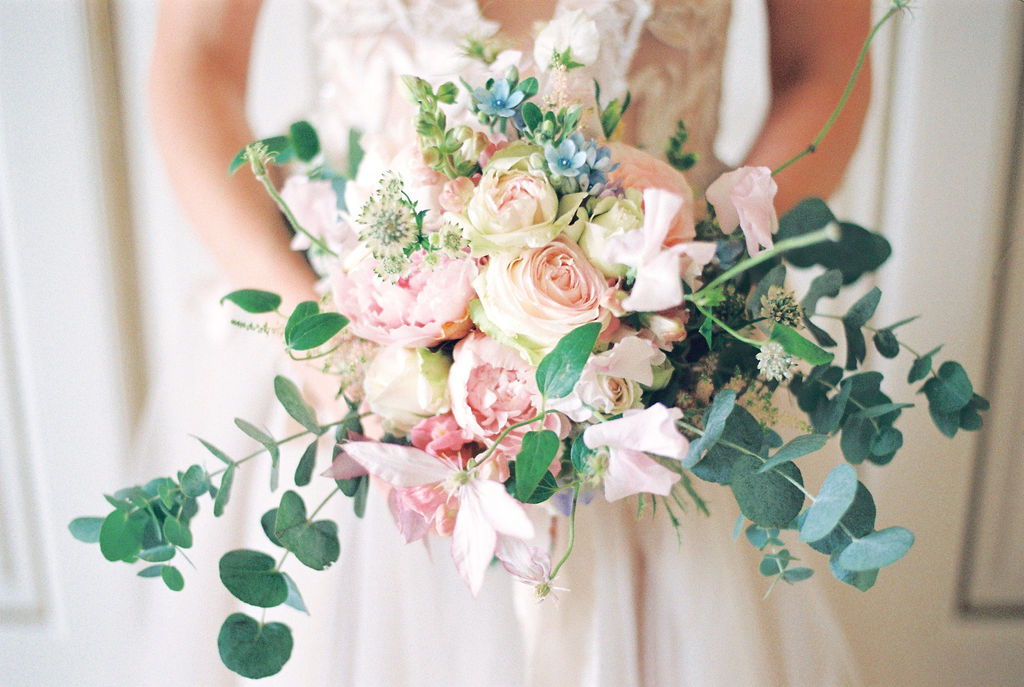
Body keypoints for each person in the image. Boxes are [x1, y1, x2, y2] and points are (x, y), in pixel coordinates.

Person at [149, 1, 872, 685]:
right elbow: (196, 59)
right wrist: (320, 337)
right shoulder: (335, 354)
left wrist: (698, 281)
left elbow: (825, 62)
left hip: (664, 382)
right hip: (357, 380)